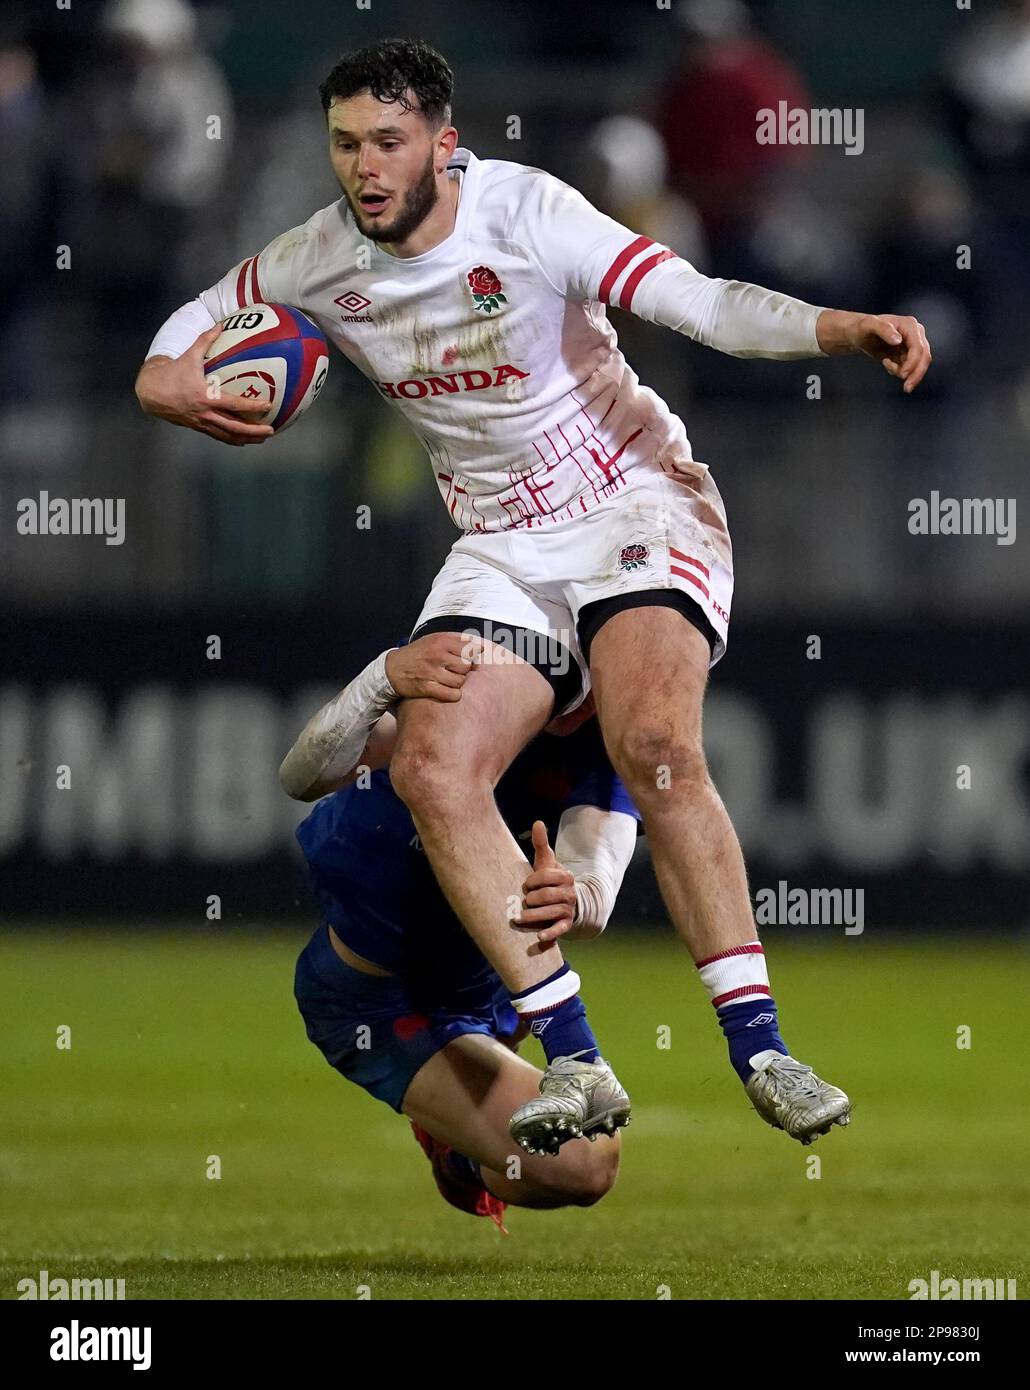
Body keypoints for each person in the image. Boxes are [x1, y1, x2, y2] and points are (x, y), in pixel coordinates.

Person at [138, 38, 928, 1148]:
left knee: (653, 741)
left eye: (387, 142)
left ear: (442, 146)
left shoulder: (527, 213)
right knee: (427, 763)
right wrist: (159, 378)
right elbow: (195, 318)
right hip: (504, 541)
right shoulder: (315, 258)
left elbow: (697, 303)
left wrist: (836, 330)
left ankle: (762, 1049)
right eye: (345, 143)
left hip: (634, 502)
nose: (364, 167)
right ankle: (577, 1057)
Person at [283, 633, 643, 1225]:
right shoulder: (466, 675)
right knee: (582, 1160)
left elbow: (595, 883)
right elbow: (301, 776)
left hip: (489, 989)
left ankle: (457, 1159)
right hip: (373, 1002)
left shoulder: (609, 751)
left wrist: (573, 898)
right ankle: (453, 1125)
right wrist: (383, 677)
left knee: (589, 1165)